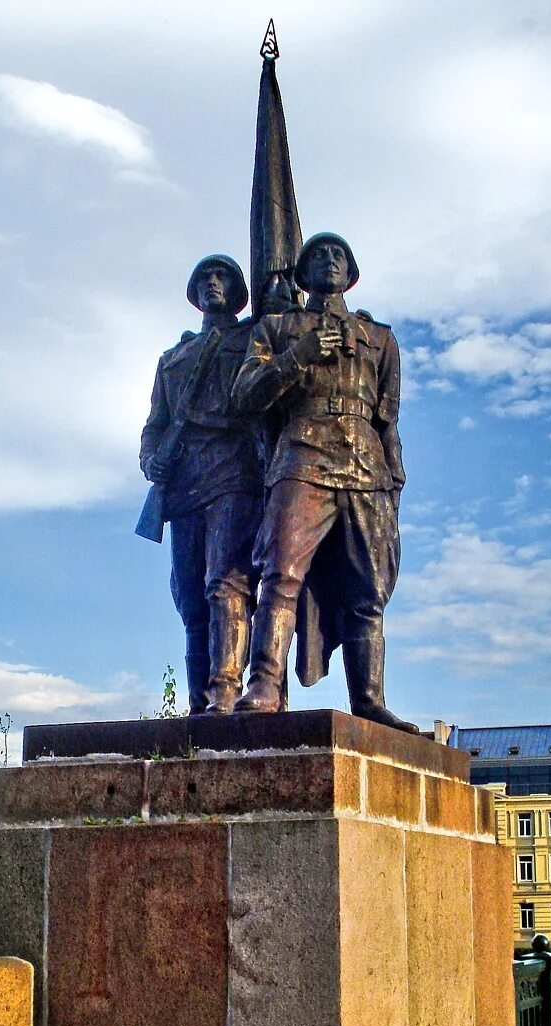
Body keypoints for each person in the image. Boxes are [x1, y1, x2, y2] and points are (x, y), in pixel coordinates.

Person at [231, 232, 417, 733]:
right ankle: (264, 684)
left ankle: (370, 701)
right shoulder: (278, 328)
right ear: (303, 271)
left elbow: (388, 418)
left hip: (366, 465)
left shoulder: (380, 338)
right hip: (302, 456)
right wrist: (300, 356)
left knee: (368, 591)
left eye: (339, 255)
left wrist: (394, 479)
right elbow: (245, 395)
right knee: (281, 575)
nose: (329, 261)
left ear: (351, 272)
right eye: (319, 254)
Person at [139, 255, 263, 713]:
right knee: (190, 597)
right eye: (205, 279)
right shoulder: (174, 358)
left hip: (233, 471)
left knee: (224, 583)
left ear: (237, 289)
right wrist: (150, 459)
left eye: (223, 277)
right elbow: (156, 424)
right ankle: (197, 703)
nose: (213, 284)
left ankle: (225, 688)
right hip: (185, 482)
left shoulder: (254, 338)